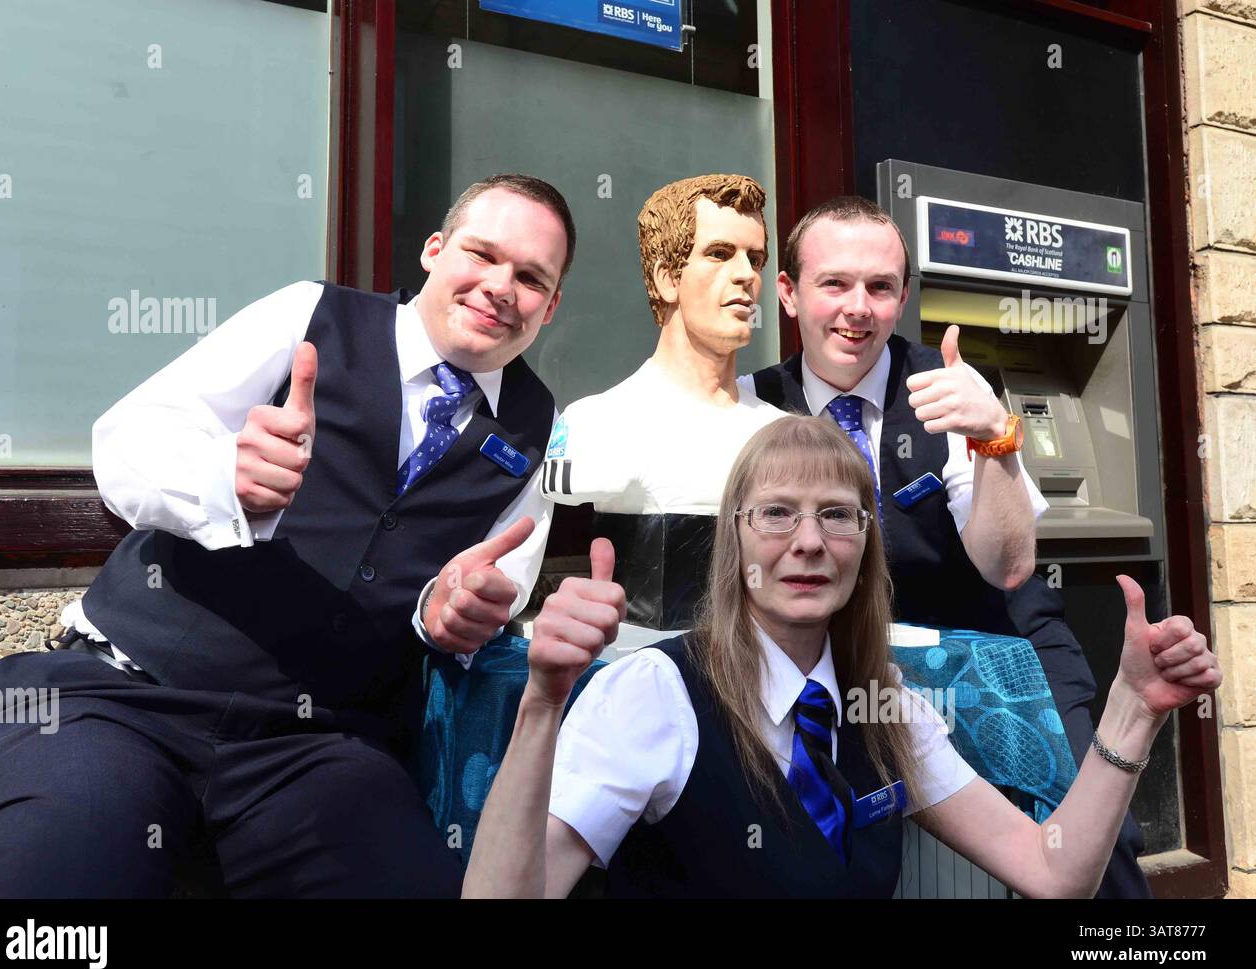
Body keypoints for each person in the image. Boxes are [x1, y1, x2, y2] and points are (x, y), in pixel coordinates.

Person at [0, 173, 573, 898]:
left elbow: (495, 581)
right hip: (122, 699)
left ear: (551, 305)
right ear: (435, 250)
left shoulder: (536, 428)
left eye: (531, 277)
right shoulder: (311, 315)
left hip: (317, 749)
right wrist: (224, 477)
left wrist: (447, 614)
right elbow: (127, 442)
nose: (501, 286)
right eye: (482, 253)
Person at [461, 415, 1220, 898]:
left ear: (865, 545)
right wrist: (541, 704)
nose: (809, 541)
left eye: (836, 515)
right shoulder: (654, 693)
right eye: (777, 514)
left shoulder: (887, 712)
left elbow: (1055, 871)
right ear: (736, 538)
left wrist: (1131, 709)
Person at [744, 195, 1154, 897]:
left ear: (903, 298)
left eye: (879, 288)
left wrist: (995, 437)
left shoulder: (952, 388)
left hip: (999, 643)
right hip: (844, 664)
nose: (857, 307)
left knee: (1092, 835)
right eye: (834, 284)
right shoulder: (754, 406)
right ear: (788, 294)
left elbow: (1011, 564)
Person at [540, 174, 785, 630]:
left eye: (756, 259)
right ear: (667, 278)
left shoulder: (777, 434)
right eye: (718, 253)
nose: (746, 275)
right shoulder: (600, 423)